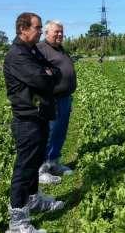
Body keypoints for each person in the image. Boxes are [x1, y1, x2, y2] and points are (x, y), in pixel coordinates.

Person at [4, 13, 64, 233]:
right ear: (23, 29)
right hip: (27, 119)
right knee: (24, 168)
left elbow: (53, 72)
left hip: (39, 116)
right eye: (38, 28)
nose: (40, 31)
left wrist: (47, 73)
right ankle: (17, 220)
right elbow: (41, 78)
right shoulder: (17, 55)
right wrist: (46, 74)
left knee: (35, 162)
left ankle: (33, 199)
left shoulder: (32, 50)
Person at [37, 20, 76, 184]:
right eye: (56, 32)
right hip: (51, 99)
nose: (60, 34)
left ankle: (54, 163)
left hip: (65, 97)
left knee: (60, 132)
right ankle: (41, 169)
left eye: (61, 31)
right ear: (47, 33)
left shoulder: (60, 49)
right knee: (49, 133)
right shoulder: (40, 49)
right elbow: (36, 72)